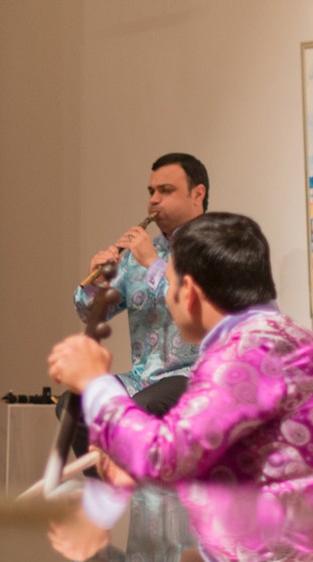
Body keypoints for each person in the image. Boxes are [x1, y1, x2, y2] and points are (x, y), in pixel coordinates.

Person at [47, 212, 313, 490]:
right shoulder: (296, 339)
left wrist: (95, 384)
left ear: (188, 292)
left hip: (284, 537)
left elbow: (162, 457)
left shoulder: (240, 358)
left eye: (169, 282)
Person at [60, 153, 209, 454]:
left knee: (138, 411)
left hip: (196, 376)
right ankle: (110, 483)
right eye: (151, 191)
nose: (153, 200)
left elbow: (199, 308)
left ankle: (138, 476)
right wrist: (99, 283)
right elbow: (90, 316)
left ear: (197, 194)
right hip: (143, 380)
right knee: (73, 406)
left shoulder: (217, 246)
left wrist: (154, 264)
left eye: (166, 191)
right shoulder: (139, 255)